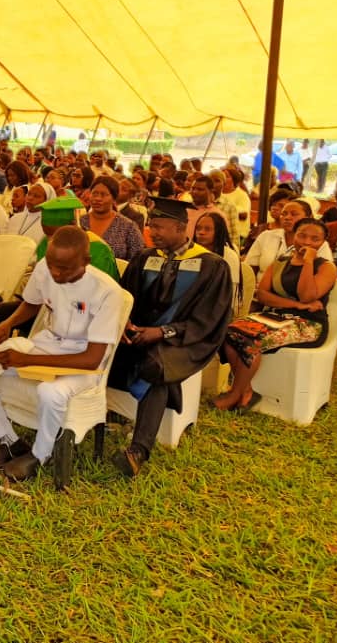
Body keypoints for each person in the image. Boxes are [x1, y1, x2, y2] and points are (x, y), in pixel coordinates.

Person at [0, 226, 125, 480]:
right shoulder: (44, 268)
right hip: (46, 344)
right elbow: (32, 302)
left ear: (86, 261)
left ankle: (40, 455)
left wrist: (27, 360)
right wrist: (7, 325)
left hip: (83, 362)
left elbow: (92, 358)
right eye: (52, 265)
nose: (56, 273)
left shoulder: (107, 292)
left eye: (65, 269)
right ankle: (10, 440)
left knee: (50, 392)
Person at [109, 198, 232, 477]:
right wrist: (127, 323)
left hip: (185, 340)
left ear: (180, 227)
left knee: (156, 365)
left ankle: (138, 450)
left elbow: (209, 320)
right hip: (139, 334)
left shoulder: (211, 266)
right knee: (104, 352)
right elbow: (123, 297)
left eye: (160, 227)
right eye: (151, 225)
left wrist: (162, 332)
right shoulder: (145, 257)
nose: (153, 231)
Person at [216, 218, 337, 411]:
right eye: (302, 235)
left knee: (252, 340)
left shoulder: (326, 267)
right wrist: (296, 305)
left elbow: (308, 295)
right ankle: (245, 390)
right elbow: (263, 295)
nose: (306, 242)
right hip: (274, 316)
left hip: (308, 324)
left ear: (323, 243)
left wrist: (308, 262)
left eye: (315, 239)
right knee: (228, 332)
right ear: (293, 236)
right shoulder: (280, 262)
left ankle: (234, 394)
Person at [245, 200, 331, 274]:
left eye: (294, 214)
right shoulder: (266, 236)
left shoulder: (318, 243)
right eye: (284, 214)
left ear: (308, 217)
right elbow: (250, 268)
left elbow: (324, 272)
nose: (287, 218)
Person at [80, 177, 144, 261]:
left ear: (114, 198)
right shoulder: (80, 222)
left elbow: (136, 260)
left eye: (104, 195)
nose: (98, 199)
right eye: (94, 194)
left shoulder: (128, 227)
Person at [194, 212, 242, 313]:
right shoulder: (191, 252)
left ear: (218, 232)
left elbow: (230, 293)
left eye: (207, 229)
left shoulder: (229, 255)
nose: (201, 232)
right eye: (198, 228)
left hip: (220, 309)